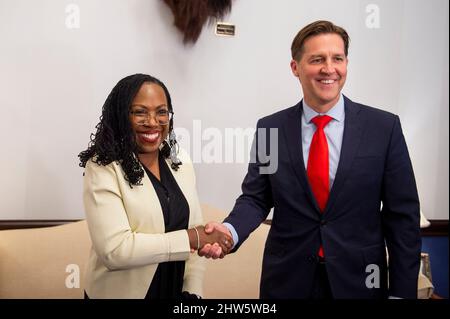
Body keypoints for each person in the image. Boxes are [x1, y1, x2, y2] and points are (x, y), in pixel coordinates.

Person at [200, 20, 421, 299]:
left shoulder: (384, 128)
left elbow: (403, 219)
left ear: (346, 64)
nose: (329, 68)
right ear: (296, 67)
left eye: (337, 58)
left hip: (362, 283)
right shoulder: (271, 129)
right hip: (287, 281)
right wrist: (229, 230)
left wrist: (401, 293)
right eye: (317, 59)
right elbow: (256, 198)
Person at [79, 73, 232, 299]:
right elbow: (115, 251)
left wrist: (193, 292)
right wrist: (191, 238)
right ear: (121, 116)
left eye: (161, 112)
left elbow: (196, 229)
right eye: (140, 112)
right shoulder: (103, 167)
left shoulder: (180, 160)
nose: (152, 122)